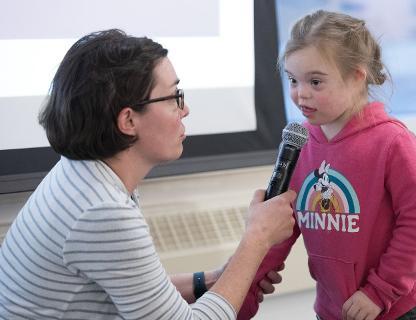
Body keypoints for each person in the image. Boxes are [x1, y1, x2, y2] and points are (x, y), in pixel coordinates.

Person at [0, 29, 297, 319]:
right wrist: (257, 238)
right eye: (173, 97)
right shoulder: (102, 210)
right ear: (128, 120)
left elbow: (144, 297)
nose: (186, 109)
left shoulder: (87, 174)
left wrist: (214, 279)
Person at [238, 10, 416, 320]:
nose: (300, 93)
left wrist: (380, 291)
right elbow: (277, 228)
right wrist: (241, 294)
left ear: (356, 77)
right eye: (293, 79)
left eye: (315, 81)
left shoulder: (393, 142)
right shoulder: (301, 144)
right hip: (334, 308)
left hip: (393, 307)